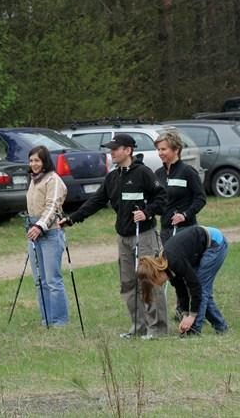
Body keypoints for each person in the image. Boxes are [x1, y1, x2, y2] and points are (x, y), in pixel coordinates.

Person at [60, 133, 168, 339]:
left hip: (143, 234)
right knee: (128, 283)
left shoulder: (143, 173)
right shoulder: (113, 176)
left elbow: (162, 198)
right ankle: (139, 328)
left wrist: (147, 212)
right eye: (111, 149)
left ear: (128, 150)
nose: (112, 152)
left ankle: (158, 330)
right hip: (123, 237)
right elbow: (96, 201)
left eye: (115, 149)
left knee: (148, 281)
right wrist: (72, 219)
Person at [137, 226, 229, 336]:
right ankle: (221, 327)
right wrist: (185, 314)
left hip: (215, 243)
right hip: (199, 248)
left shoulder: (174, 261)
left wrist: (192, 317)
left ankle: (194, 332)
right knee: (200, 292)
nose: (157, 285)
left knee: (201, 289)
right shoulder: (167, 267)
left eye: (154, 282)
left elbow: (196, 287)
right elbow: (181, 291)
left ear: (156, 273)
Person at [25, 145, 69, 327]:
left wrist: (39, 226)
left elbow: (52, 207)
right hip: (34, 232)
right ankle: (47, 320)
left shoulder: (54, 180)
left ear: (45, 161)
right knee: (39, 280)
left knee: (52, 280)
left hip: (50, 233)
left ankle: (60, 321)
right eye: (31, 160)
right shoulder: (34, 180)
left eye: (37, 160)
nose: (34, 164)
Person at [153, 132, 206, 244]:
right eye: (158, 150)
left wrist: (185, 215)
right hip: (165, 230)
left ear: (176, 150)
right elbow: (156, 199)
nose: (160, 153)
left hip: (185, 229)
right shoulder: (158, 174)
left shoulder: (187, 171)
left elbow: (200, 198)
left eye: (163, 149)